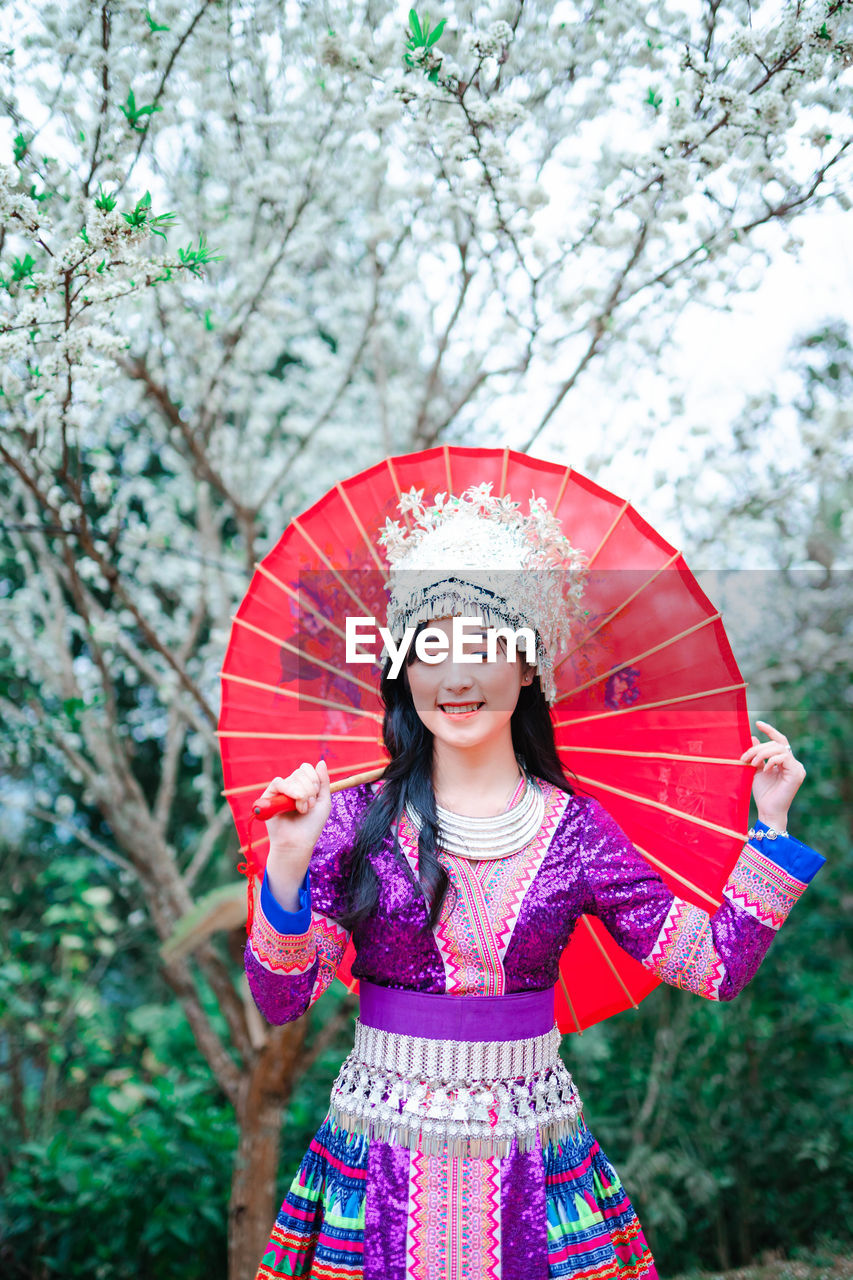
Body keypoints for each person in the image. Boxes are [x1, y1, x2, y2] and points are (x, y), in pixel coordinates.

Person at [243, 486, 824, 1280]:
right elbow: (281, 998)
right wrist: (285, 860)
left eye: (483, 648)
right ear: (401, 669)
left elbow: (714, 966)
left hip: (532, 1155)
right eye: (431, 649)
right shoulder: (352, 821)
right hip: (378, 1152)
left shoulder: (579, 833)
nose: (457, 674)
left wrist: (772, 829)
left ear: (526, 668)